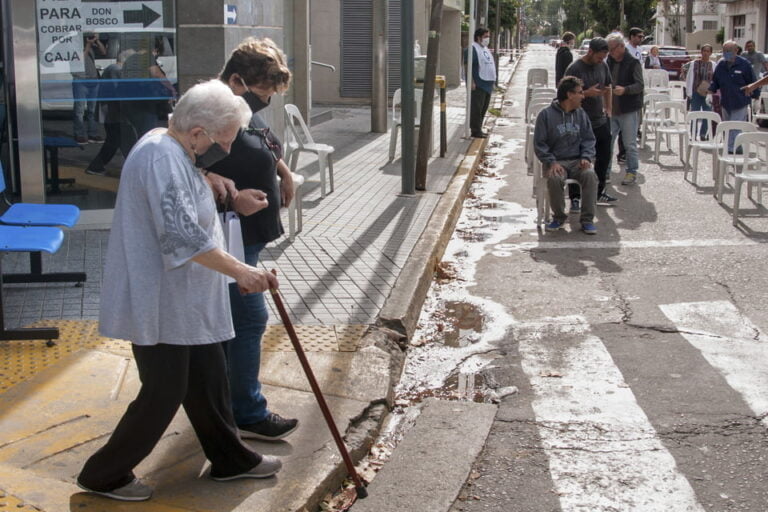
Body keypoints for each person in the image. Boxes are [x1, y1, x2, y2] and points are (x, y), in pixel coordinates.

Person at [76, 79, 281, 502]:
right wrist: (242, 271)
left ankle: (231, 459)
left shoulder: (170, 146)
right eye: (221, 142)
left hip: (184, 299)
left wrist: (224, 192)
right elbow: (184, 237)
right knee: (164, 391)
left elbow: (184, 200)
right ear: (197, 133)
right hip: (161, 300)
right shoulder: (159, 156)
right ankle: (103, 474)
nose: (222, 149)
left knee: (207, 378)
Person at [205, 37, 299, 441]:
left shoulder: (239, 107)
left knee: (238, 321)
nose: (264, 102)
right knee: (247, 320)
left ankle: (228, 404)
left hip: (248, 235)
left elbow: (258, 137)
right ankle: (246, 412)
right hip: (229, 234)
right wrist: (230, 194)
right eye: (262, 93)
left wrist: (283, 171)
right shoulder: (209, 109)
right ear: (238, 79)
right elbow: (184, 164)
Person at [534, 76, 598, 235]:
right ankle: (559, 217)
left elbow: (589, 139)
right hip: (557, 161)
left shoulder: (581, 114)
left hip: (577, 161)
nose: (583, 96)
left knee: (590, 175)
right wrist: (551, 162)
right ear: (570, 95)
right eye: (580, 93)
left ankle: (587, 220)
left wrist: (586, 156)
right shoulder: (546, 115)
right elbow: (539, 143)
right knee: (555, 178)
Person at [565, 37, 616, 208]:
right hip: (579, 122)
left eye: (604, 57)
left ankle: (599, 192)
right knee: (578, 160)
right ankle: (575, 197)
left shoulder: (603, 66)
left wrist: (608, 109)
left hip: (599, 120)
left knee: (604, 157)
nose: (601, 60)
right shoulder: (575, 68)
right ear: (590, 52)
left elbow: (608, 87)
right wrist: (586, 93)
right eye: (599, 57)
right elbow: (566, 96)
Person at [84, 49, 135, 176]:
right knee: (119, 141)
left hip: (113, 113)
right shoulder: (116, 70)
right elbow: (119, 91)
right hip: (114, 113)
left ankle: (97, 166)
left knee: (119, 141)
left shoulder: (113, 69)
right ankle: (96, 166)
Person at [606, 34, 644, 186]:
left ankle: (631, 171)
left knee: (629, 144)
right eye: (608, 50)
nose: (610, 52)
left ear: (621, 47)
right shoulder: (608, 61)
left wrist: (626, 90)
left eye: (612, 49)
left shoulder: (633, 63)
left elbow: (640, 85)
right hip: (611, 109)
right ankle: (605, 172)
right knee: (607, 143)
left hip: (627, 109)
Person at [710, 40, 759, 153]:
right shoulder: (721, 64)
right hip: (726, 101)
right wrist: (710, 90)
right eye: (724, 51)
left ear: (736, 51)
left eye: (729, 51)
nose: (726, 53)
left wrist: (756, 96)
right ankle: (736, 146)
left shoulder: (744, 64)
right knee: (727, 126)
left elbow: (753, 81)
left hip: (740, 101)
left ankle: (731, 149)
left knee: (735, 126)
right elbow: (715, 81)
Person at [71, 33, 106, 144]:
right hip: (80, 80)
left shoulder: (91, 47)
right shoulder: (73, 48)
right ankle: (79, 134)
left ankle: (93, 133)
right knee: (79, 110)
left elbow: (104, 52)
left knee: (92, 110)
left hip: (93, 80)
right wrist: (88, 45)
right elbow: (80, 60)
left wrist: (97, 41)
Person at [469, 27, 497, 138]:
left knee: (483, 109)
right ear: (478, 37)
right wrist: (471, 81)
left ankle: (479, 128)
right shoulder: (472, 49)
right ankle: (475, 131)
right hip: (479, 84)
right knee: (477, 109)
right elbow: (467, 67)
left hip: (487, 84)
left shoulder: (485, 49)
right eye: (485, 37)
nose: (488, 39)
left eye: (488, 36)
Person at [682, 44, 715, 137]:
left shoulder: (713, 65)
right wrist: (689, 92)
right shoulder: (694, 63)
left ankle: (703, 134)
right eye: (704, 51)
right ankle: (693, 133)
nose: (706, 53)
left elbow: (715, 79)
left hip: (707, 93)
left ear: (711, 53)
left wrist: (712, 92)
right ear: (701, 52)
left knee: (707, 113)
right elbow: (688, 77)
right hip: (696, 92)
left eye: (708, 51)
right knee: (694, 114)